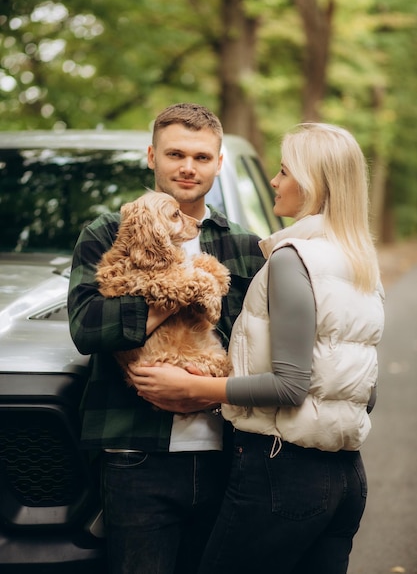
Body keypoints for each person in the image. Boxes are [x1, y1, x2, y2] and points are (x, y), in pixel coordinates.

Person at [131, 122, 385, 574]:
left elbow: (290, 386)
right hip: (346, 477)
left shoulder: (293, 259)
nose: (274, 180)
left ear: (312, 183)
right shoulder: (358, 261)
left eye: (284, 170)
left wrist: (196, 391)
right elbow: (367, 392)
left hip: (282, 472)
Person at [67, 103, 266, 574]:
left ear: (219, 163)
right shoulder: (106, 234)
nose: (187, 167)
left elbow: (262, 351)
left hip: (228, 454)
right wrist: (179, 293)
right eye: (176, 153)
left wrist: (204, 391)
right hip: (135, 456)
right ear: (152, 156)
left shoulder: (243, 246)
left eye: (201, 157)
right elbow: (87, 327)